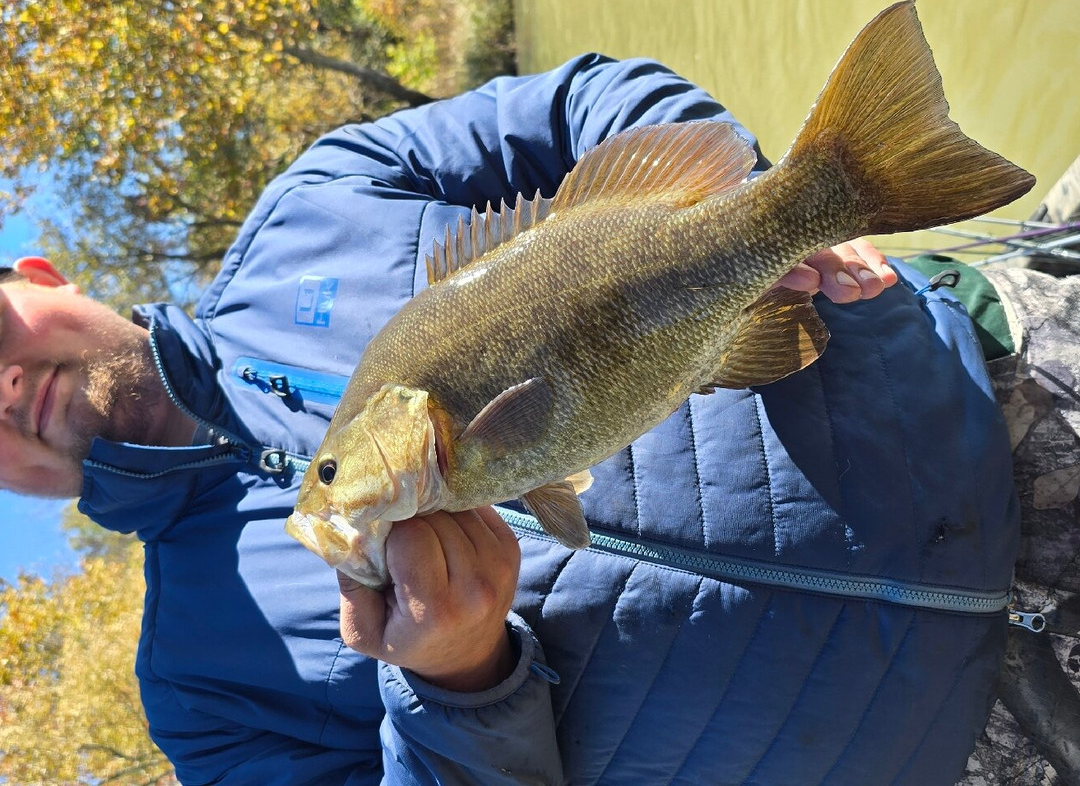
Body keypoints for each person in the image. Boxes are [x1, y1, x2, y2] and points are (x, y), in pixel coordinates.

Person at [1, 53, 1020, 785]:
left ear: (38, 272)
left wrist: (746, 209)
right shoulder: (205, 700)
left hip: (1004, 390)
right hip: (981, 751)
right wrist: (457, 685)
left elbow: (584, 101)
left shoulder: (315, 199)